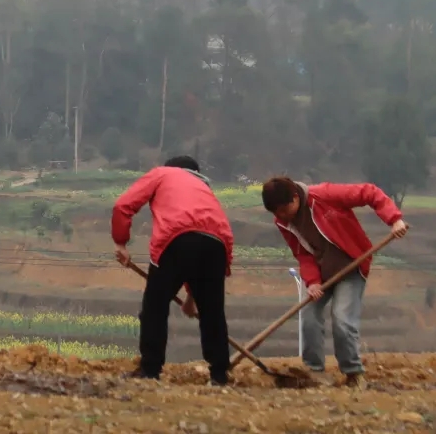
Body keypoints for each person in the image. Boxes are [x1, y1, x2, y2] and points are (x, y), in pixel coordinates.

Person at [261, 176, 408, 387]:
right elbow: (303, 254)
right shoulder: (283, 222)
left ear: (295, 197)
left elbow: (369, 192)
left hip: (351, 266)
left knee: (342, 320)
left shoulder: (325, 195)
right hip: (320, 274)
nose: (282, 216)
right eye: (276, 213)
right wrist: (312, 282)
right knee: (309, 317)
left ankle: (353, 373)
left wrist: (394, 219)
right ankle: (314, 371)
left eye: (284, 210)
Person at [112, 156, 234, 385]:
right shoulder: (204, 187)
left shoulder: (162, 173)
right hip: (217, 244)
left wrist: (121, 243)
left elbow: (123, 206)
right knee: (212, 312)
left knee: (155, 307)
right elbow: (199, 237)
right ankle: (219, 375)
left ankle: (150, 370)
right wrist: (191, 298)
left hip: (176, 239)